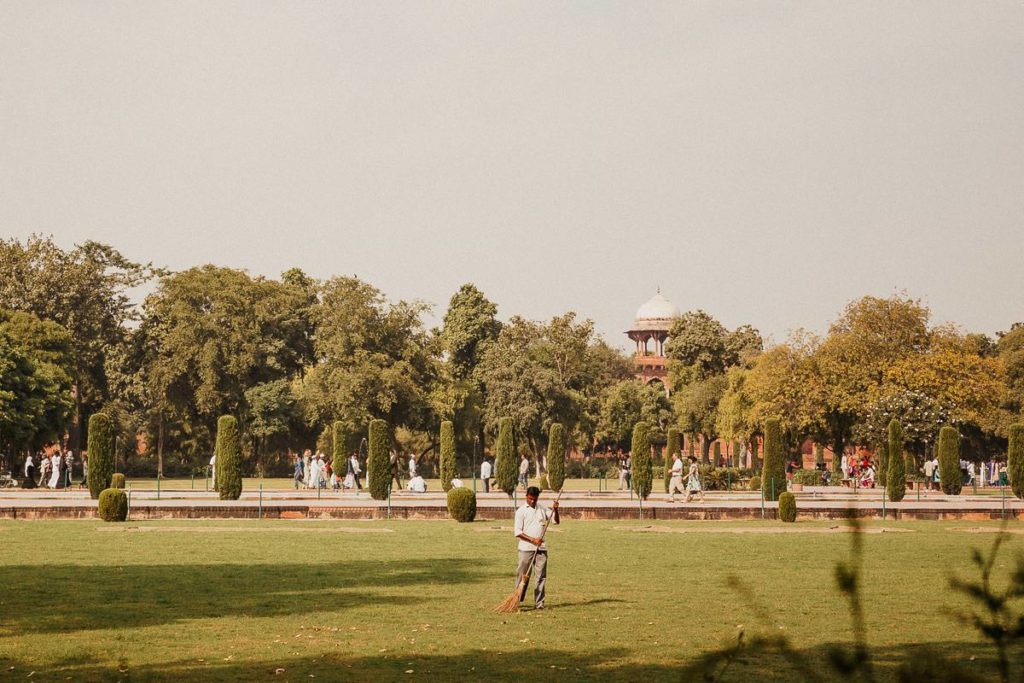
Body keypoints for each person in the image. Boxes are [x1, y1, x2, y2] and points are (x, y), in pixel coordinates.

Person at [513, 486, 560, 610]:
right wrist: (533, 540)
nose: (532, 501)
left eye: (535, 499)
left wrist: (556, 510)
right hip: (526, 549)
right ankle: (516, 601)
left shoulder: (542, 508)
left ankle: (539, 604)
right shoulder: (521, 511)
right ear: (526, 497)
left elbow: (555, 521)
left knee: (540, 577)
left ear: (538, 497)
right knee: (522, 576)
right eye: (530, 499)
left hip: (541, 549)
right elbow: (518, 532)